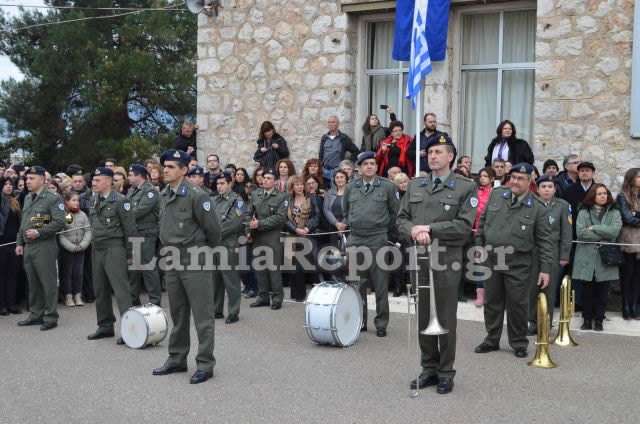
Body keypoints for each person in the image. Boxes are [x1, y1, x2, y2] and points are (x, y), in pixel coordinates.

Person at [397, 135, 477, 394]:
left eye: (438, 151)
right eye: (430, 151)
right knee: (423, 315)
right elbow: (401, 218)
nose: (432, 156)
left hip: (446, 259)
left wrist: (430, 228)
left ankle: (446, 372)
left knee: (444, 317)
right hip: (419, 257)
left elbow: (464, 227)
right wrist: (414, 231)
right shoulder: (416, 184)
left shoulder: (465, 187)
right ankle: (428, 368)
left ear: (450, 156)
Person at [152, 149, 220, 385]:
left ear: (183, 170)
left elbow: (214, 231)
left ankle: (205, 364)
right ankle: (177, 358)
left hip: (195, 257)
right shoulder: (163, 195)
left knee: (202, 314)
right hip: (171, 258)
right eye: (165, 166)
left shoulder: (197, 196)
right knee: (178, 313)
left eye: (171, 167)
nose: (165, 170)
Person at [474, 163, 553, 359]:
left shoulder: (538, 207)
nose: (515, 181)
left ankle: (518, 342)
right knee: (492, 300)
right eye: (514, 177)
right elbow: (482, 222)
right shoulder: (496, 194)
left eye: (520, 178)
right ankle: (491, 339)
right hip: (492, 258)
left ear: (530, 181)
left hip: (518, 262)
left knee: (517, 303)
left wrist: (545, 269)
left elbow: (545, 241)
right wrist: (478, 245)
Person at [342, 151, 400, 337]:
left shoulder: (388, 187)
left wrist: (382, 229)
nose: (369, 166)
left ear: (377, 166)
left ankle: (381, 323)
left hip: (377, 239)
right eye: (365, 163)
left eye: (372, 163)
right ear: (359, 167)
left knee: (380, 283)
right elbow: (346, 211)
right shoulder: (351, 187)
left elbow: (394, 213)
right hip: (356, 239)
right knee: (357, 283)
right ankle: (360, 321)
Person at [86, 167, 137, 345]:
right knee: (100, 289)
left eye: (98, 180)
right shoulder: (93, 200)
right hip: (97, 248)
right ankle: (105, 326)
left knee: (121, 290)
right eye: (93, 180)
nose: (94, 183)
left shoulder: (121, 201)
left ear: (108, 181)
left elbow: (130, 229)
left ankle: (129, 328)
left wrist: (130, 254)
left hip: (115, 247)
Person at [15, 166, 66, 330]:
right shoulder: (29, 197)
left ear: (43, 180)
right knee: (33, 283)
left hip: (44, 245)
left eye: (31, 178)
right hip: (29, 247)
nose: (27, 181)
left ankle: (51, 316)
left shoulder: (54, 198)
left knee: (48, 282)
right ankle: (36, 314)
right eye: (27, 179)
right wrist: (19, 243)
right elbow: (23, 223)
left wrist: (38, 232)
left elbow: (60, 222)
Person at [572, 184, 622, 331]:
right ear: (593, 195)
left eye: (605, 193)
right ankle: (587, 319)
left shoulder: (614, 211)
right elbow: (581, 233)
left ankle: (599, 320)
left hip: (606, 257)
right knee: (587, 291)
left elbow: (614, 231)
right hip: (587, 256)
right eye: (599, 193)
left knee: (602, 292)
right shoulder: (583, 211)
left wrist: (594, 228)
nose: (602, 196)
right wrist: (602, 235)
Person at [527, 175, 572, 335]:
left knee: (548, 288)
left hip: (553, 252)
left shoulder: (562, 206)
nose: (547, 190)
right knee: (532, 287)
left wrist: (564, 255)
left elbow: (567, 233)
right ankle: (532, 321)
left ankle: (545, 322)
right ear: (537, 189)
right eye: (543, 186)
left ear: (554, 189)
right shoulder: (530, 204)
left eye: (550, 187)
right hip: (532, 252)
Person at [246, 168, 288, 310]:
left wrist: (260, 223)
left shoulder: (282, 196)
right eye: (264, 178)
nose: (265, 180)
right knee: (260, 267)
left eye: (269, 178)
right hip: (257, 235)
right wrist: (247, 230)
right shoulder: (256, 194)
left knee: (273, 268)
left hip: (272, 235)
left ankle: (277, 298)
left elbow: (280, 218)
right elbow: (248, 213)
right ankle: (263, 297)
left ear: (275, 181)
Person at [126, 164, 162, 307]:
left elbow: (139, 211)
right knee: (133, 269)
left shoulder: (150, 192)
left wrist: (122, 216)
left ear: (139, 175)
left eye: (130, 174)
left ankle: (155, 301)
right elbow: (126, 208)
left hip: (146, 233)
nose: (128, 177)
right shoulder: (132, 191)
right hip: (133, 233)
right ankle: (133, 300)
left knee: (148, 268)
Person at [211, 172, 245, 324]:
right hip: (213, 246)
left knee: (230, 279)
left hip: (227, 245)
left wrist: (212, 235)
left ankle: (233, 311)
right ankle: (216, 309)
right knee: (215, 279)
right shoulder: (213, 200)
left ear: (230, 183)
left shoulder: (237, 201)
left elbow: (234, 224)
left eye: (222, 183)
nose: (219, 187)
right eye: (217, 184)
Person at [284, 175, 320, 302]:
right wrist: (295, 229)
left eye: (301, 184)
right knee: (293, 267)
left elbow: (317, 216)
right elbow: (283, 217)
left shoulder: (312, 198)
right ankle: (297, 295)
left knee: (309, 264)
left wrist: (307, 228)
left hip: (307, 234)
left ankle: (316, 295)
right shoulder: (287, 199)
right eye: (296, 185)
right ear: (292, 187)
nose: (299, 187)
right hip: (292, 235)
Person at [58, 192, 91, 307]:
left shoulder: (83, 215)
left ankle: (77, 295)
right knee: (67, 273)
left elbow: (88, 231)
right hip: (68, 249)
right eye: (73, 200)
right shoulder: (63, 215)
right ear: (66, 202)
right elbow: (61, 234)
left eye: (77, 200)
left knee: (78, 273)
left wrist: (83, 245)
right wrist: (71, 247)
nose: (77, 202)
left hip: (81, 248)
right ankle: (68, 295)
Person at [615, 168, 640, 320]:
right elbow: (627, 219)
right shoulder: (622, 196)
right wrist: (633, 215)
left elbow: (633, 217)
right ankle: (626, 307)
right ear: (631, 179)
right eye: (639, 177)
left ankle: (634, 306)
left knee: (638, 276)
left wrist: (636, 214)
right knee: (627, 275)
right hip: (628, 241)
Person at [472, 167, 495, 307]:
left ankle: (491, 294)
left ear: (492, 178)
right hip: (478, 231)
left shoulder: (496, 193)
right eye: (481, 176)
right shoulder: (476, 192)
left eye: (486, 176)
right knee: (479, 263)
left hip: (492, 232)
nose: (482, 178)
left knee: (493, 263)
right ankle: (480, 294)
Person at [0, 178, 22, 315]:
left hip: (14, 243)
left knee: (12, 275)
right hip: (2, 244)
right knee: (1, 275)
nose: (8, 187)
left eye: (10, 184)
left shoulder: (16, 201)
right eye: (5, 184)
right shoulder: (1, 201)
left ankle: (11, 303)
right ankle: (2, 305)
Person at [319, 115, 359, 181]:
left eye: (333, 122)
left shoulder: (343, 138)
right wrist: (320, 168)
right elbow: (321, 154)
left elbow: (356, 151)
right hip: (324, 171)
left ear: (337, 124)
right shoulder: (324, 138)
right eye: (329, 122)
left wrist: (348, 163)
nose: (331, 124)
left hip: (337, 171)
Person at [389, 172, 410, 297]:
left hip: (408, 233)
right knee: (396, 262)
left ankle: (409, 286)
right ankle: (397, 287)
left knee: (409, 262)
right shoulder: (394, 197)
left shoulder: (413, 195)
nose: (403, 184)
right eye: (400, 182)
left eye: (405, 181)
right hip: (395, 234)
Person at [323, 170, 349, 247]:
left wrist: (343, 225)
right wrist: (336, 223)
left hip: (349, 227)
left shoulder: (352, 192)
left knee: (349, 254)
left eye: (341, 177)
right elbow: (326, 210)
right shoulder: (330, 192)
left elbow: (353, 210)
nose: (339, 179)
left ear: (346, 179)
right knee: (335, 253)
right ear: (334, 180)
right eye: (337, 177)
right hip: (334, 227)